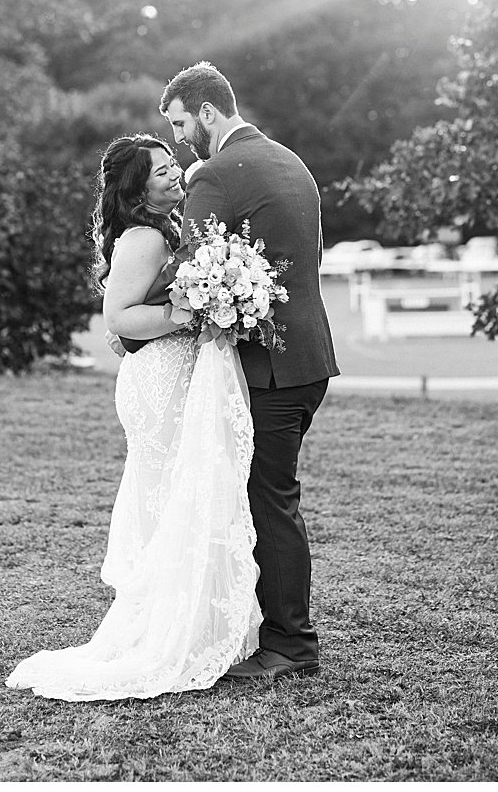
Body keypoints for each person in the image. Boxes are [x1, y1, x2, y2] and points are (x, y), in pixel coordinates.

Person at [7, 134, 262, 700]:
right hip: (157, 383)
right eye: (162, 172)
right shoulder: (145, 237)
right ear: (137, 187)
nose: (175, 176)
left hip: (173, 373)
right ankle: (163, 629)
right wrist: (189, 308)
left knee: (179, 495)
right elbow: (119, 319)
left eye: (174, 167)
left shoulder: (169, 229)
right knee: (170, 496)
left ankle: (188, 619)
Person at [158, 61, 340, 681]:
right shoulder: (294, 163)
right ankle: (263, 627)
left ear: (208, 112)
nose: (181, 137)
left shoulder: (216, 173)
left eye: (182, 122)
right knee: (268, 496)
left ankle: (290, 644)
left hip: (268, 369)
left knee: (270, 501)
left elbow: (189, 269)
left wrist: (132, 319)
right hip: (308, 360)